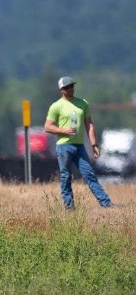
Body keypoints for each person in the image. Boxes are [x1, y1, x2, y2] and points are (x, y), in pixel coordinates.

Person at [44, 76, 112, 210]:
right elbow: (47, 127)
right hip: (64, 147)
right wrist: (64, 131)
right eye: (68, 87)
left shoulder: (83, 103)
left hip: (80, 146)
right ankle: (69, 207)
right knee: (66, 177)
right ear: (62, 90)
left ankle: (106, 204)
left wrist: (94, 144)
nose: (71, 89)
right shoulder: (56, 106)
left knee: (89, 174)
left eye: (72, 86)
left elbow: (89, 125)